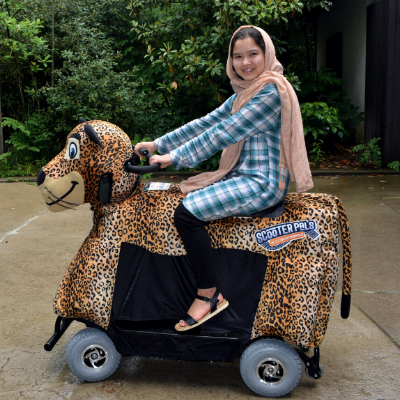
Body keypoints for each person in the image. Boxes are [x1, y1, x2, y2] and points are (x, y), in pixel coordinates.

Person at [135, 26, 313, 332]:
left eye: (253, 54)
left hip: (263, 183)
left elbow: (224, 133)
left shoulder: (271, 92)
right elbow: (208, 122)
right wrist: (158, 144)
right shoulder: (246, 92)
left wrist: (175, 157)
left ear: (266, 53)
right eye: (238, 56)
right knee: (179, 198)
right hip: (242, 176)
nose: (245, 63)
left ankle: (209, 294)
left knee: (187, 212)